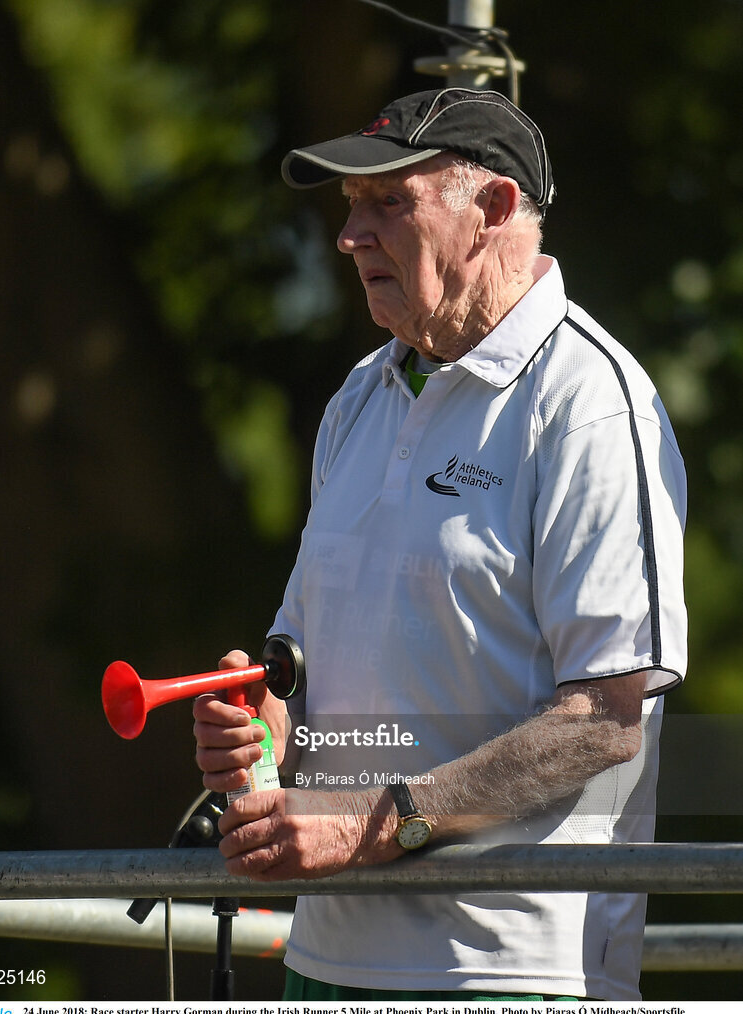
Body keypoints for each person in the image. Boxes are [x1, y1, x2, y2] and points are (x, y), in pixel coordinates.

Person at [192, 87, 687, 1002]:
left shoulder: (590, 402)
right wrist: (260, 738)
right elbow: (301, 679)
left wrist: (368, 827)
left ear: (493, 209)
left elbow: (608, 721)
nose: (349, 238)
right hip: (324, 958)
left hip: (512, 972)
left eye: (388, 202)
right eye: (349, 209)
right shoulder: (356, 399)